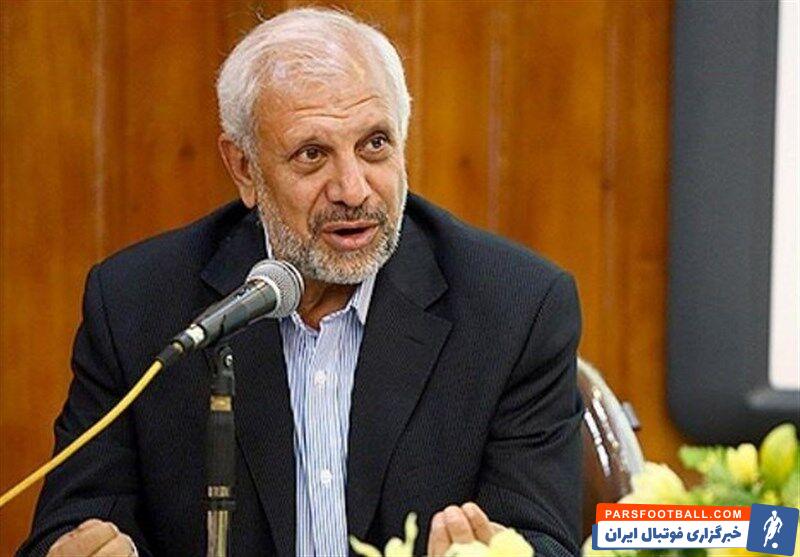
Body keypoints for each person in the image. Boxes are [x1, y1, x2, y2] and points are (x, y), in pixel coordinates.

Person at [21, 8, 583, 557]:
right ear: (244, 168)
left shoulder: (515, 308)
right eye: (313, 155)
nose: (353, 190)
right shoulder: (138, 306)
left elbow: (547, 540)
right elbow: (69, 526)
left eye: (374, 145)